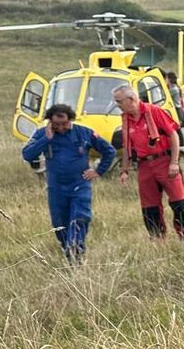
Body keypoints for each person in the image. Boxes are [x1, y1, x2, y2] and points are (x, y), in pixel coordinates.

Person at [21, 104, 115, 263]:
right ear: (50, 122)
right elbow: (28, 155)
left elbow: (109, 150)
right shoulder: (42, 134)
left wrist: (99, 171)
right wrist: (46, 139)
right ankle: (69, 253)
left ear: (70, 120)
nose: (61, 128)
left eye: (64, 124)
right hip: (56, 188)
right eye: (56, 125)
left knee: (79, 218)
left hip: (80, 185)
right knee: (59, 224)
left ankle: (76, 251)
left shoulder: (84, 132)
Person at [114, 84, 184, 239]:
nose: (117, 105)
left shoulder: (154, 111)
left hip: (164, 161)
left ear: (131, 99)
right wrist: (125, 170)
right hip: (144, 166)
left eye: (119, 102)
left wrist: (174, 162)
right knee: (149, 208)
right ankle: (157, 239)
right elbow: (127, 146)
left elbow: (173, 135)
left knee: (178, 203)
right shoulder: (126, 119)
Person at [164, 71, 184, 149]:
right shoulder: (173, 88)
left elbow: (165, 94)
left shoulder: (174, 89)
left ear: (170, 79)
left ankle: (182, 145)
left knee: (177, 128)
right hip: (175, 110)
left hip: (177, 110)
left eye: (166, 78)